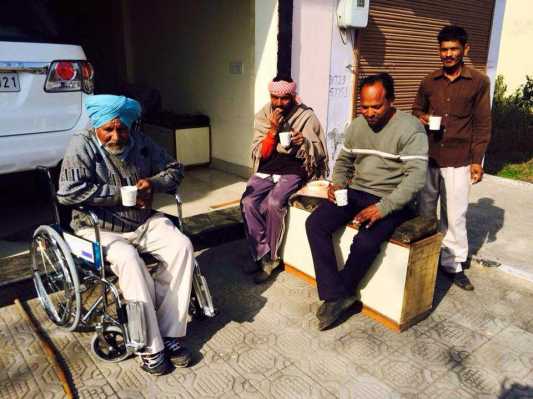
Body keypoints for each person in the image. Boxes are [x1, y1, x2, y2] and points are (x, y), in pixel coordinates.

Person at [57, 95, 193, 375]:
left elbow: (176, 170)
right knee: (129, 259)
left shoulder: (141, 141)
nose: (116, 135)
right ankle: (149, 346)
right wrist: (118, 195)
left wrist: (152, 184)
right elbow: (67, 192)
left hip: (141, 221)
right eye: (109, 129)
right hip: (97, 226)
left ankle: (170, 333)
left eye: (122, 129)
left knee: (181, 245)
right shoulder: (81, 145)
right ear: (96, 125)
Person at [306, 73, 428, 331]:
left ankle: (344, 291)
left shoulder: (410, 129)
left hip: (393, 200)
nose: (370, 112)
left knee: (366, 240)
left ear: (392, 101)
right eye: (365, 106)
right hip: (358, 191)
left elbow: (416, 178)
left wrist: (383, 207)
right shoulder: (357, 126)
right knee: (315, 223)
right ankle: (336, 294)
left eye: (377, 106)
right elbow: (343, 162)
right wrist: (336, 184)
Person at [412, 25, 491, 291]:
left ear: (465, 49)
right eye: (444, 49)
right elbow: (416, 109)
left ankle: (453, 264)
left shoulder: (479, 82)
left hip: (459, 159)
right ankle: (422, 258)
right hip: (430, 157)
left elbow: (482, 124)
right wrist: (422, 118)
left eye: (454, 49)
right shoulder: (429, 81)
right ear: (439, 51)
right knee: (424, 211)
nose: (448, 54)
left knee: (455, 215)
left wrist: (477, 160)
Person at [241, 76, 328, 284]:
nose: (279, 103)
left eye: (285, 98)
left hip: (295, 168)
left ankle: (272, 259)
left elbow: (317, 150)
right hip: (269, 167)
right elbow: (262, 153)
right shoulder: (264, 114)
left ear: (293, 96)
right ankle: (260, 253)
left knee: (274, 203)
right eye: (275, 98)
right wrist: (272, 131)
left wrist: (302, 142)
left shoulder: (306, 116)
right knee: (248, 202)